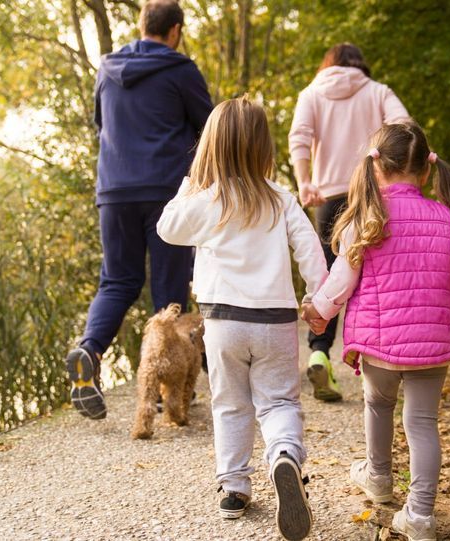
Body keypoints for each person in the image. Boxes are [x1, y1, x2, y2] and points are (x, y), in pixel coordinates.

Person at [301, 122, 450, 541]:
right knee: (422, 422)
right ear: (425, 172)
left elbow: (341, 281)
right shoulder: (445, 217)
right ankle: (419, 515)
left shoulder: (367, 217)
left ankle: (379, 477)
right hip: (433, 339)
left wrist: (320, 312)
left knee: (379, 404)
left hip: (381, 342)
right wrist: (432, 318)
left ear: (376, 168)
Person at [157, 97, 326, 541]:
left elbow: (167, 228)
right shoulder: (281, 198)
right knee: (279, 403)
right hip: (275, 322)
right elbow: (310, 251)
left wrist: (191, 184)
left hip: (222, 323)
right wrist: (317, 299)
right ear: (262, 147)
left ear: (210, 147)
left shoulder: (207, 199)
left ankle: (233, 488)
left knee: (229, 404)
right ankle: (284, 456)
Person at [65, 0, 213, 420]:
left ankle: (89, 351)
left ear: (141, 25)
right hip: (166, 190)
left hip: (114, 189)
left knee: (117, 281)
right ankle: (170, 394)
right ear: (175, 31)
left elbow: (101, 126)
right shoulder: (181, 69)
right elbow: (211, 129)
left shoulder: (106, 70)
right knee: (169, 291)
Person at [288, 43, 410, 402]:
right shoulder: (377, 92)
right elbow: (406, 127)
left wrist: (303, 181)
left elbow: (299, 137)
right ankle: (389, 360)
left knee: (330, 278)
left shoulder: (311, 94)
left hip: (326, 198)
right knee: (377, 275)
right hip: (372, 194)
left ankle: (319, 352)